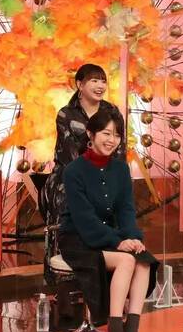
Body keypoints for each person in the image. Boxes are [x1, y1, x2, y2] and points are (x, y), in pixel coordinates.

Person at [58, 109, 158, 332]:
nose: (112, 140)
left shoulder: (121, 169)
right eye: (106, 133)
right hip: (78, 238)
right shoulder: (74, 171)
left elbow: (126, 210)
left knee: (143, 260)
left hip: (110, 235)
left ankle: (131, 331)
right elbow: (84, 219)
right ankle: (114, 329)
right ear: (90, 134)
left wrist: (133, 238)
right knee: (126, 260)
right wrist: (118, 242)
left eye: (116, 135)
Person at [40, 64, 125, 227]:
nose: (100, 86)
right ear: (80, 84)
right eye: (94, 81)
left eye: (103, 82)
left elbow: (120, 150)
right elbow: (69, 156)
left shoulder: (113, 112)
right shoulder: (66, 114)